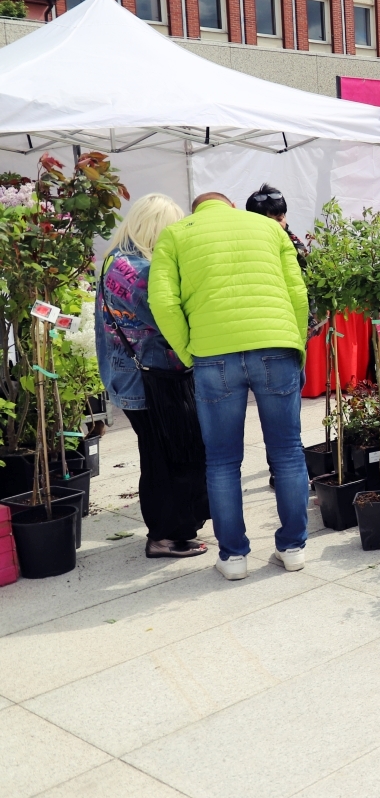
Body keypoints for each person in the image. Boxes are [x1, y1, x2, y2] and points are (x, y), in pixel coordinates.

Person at [148, 192, 312, 582]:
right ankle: (292, 549)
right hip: (276, 345)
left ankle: (234, 557)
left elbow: (163, 302)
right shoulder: (270, 228)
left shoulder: (175, 235)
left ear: (196, 211)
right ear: (232, 207)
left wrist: (190, 353)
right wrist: (296, 342)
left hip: (213, 354)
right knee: (288, 452)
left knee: (221, 461)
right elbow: (298, 293)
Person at [94, 195, 210, 560]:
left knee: (159, 454)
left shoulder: (115, 260)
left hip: (131, 377)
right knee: (165, 457)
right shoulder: (138, 270)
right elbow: (168, 319)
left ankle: (169, 531)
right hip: (150, 381)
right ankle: (164, 536)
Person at [245, 183, 308, 268]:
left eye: (280, 219)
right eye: (269, 221)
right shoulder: (246, 243)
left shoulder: (294, 243)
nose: (276, 225)